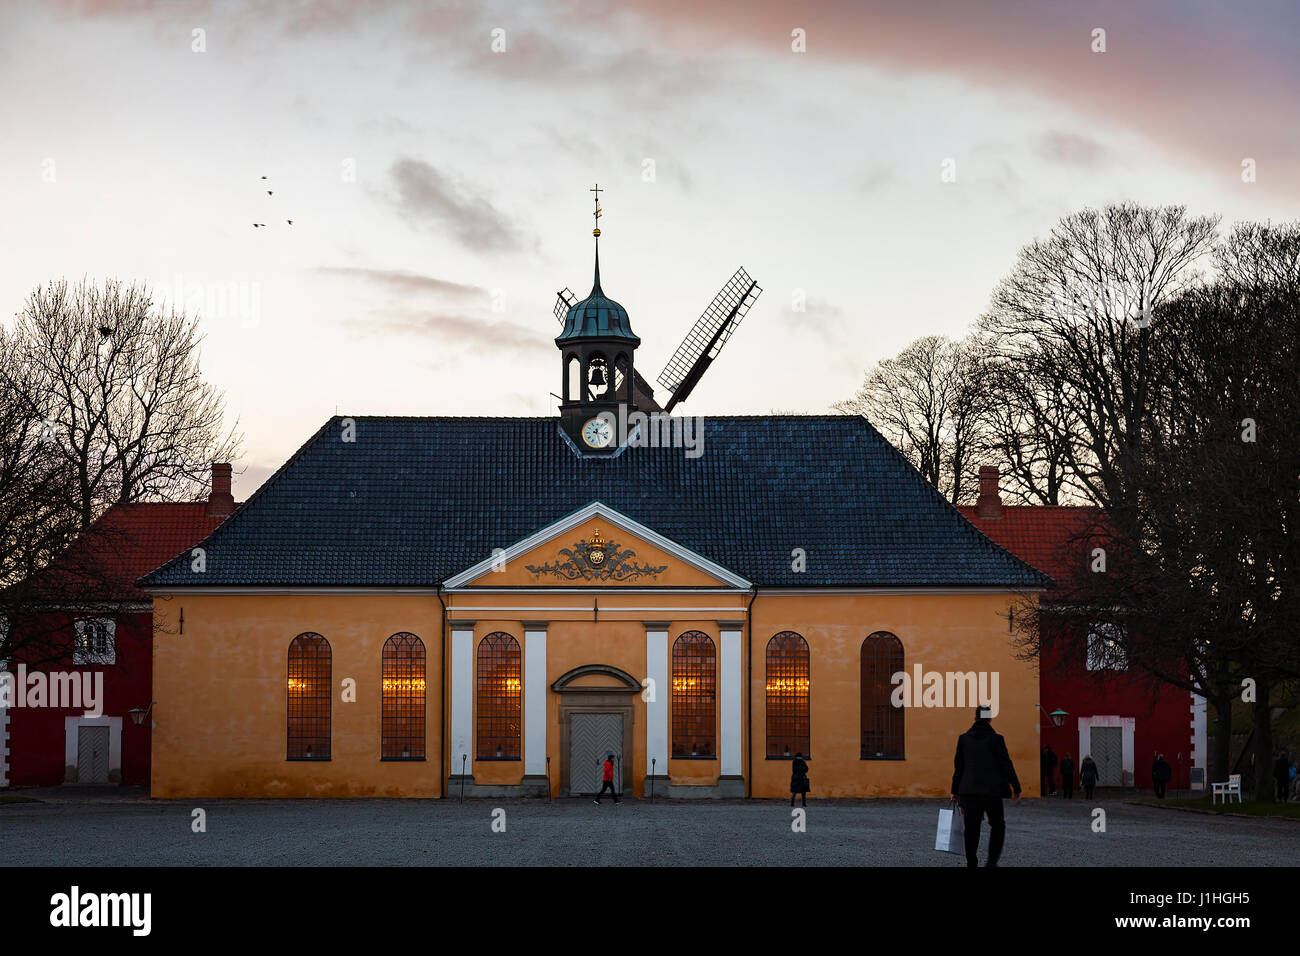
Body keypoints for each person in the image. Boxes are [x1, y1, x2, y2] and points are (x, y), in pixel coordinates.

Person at [951, 706, 1022, 868]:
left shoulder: (963, 739)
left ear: (975, 718)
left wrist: (954, 791)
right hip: (992, 791)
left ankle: (971, 863)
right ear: (990, 719)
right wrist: (1016, 787)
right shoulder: (997, 739)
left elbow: (959, 768)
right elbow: (1006, 764)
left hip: (969, 791)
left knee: (971, 828)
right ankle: (991, 862)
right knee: (997, 825)